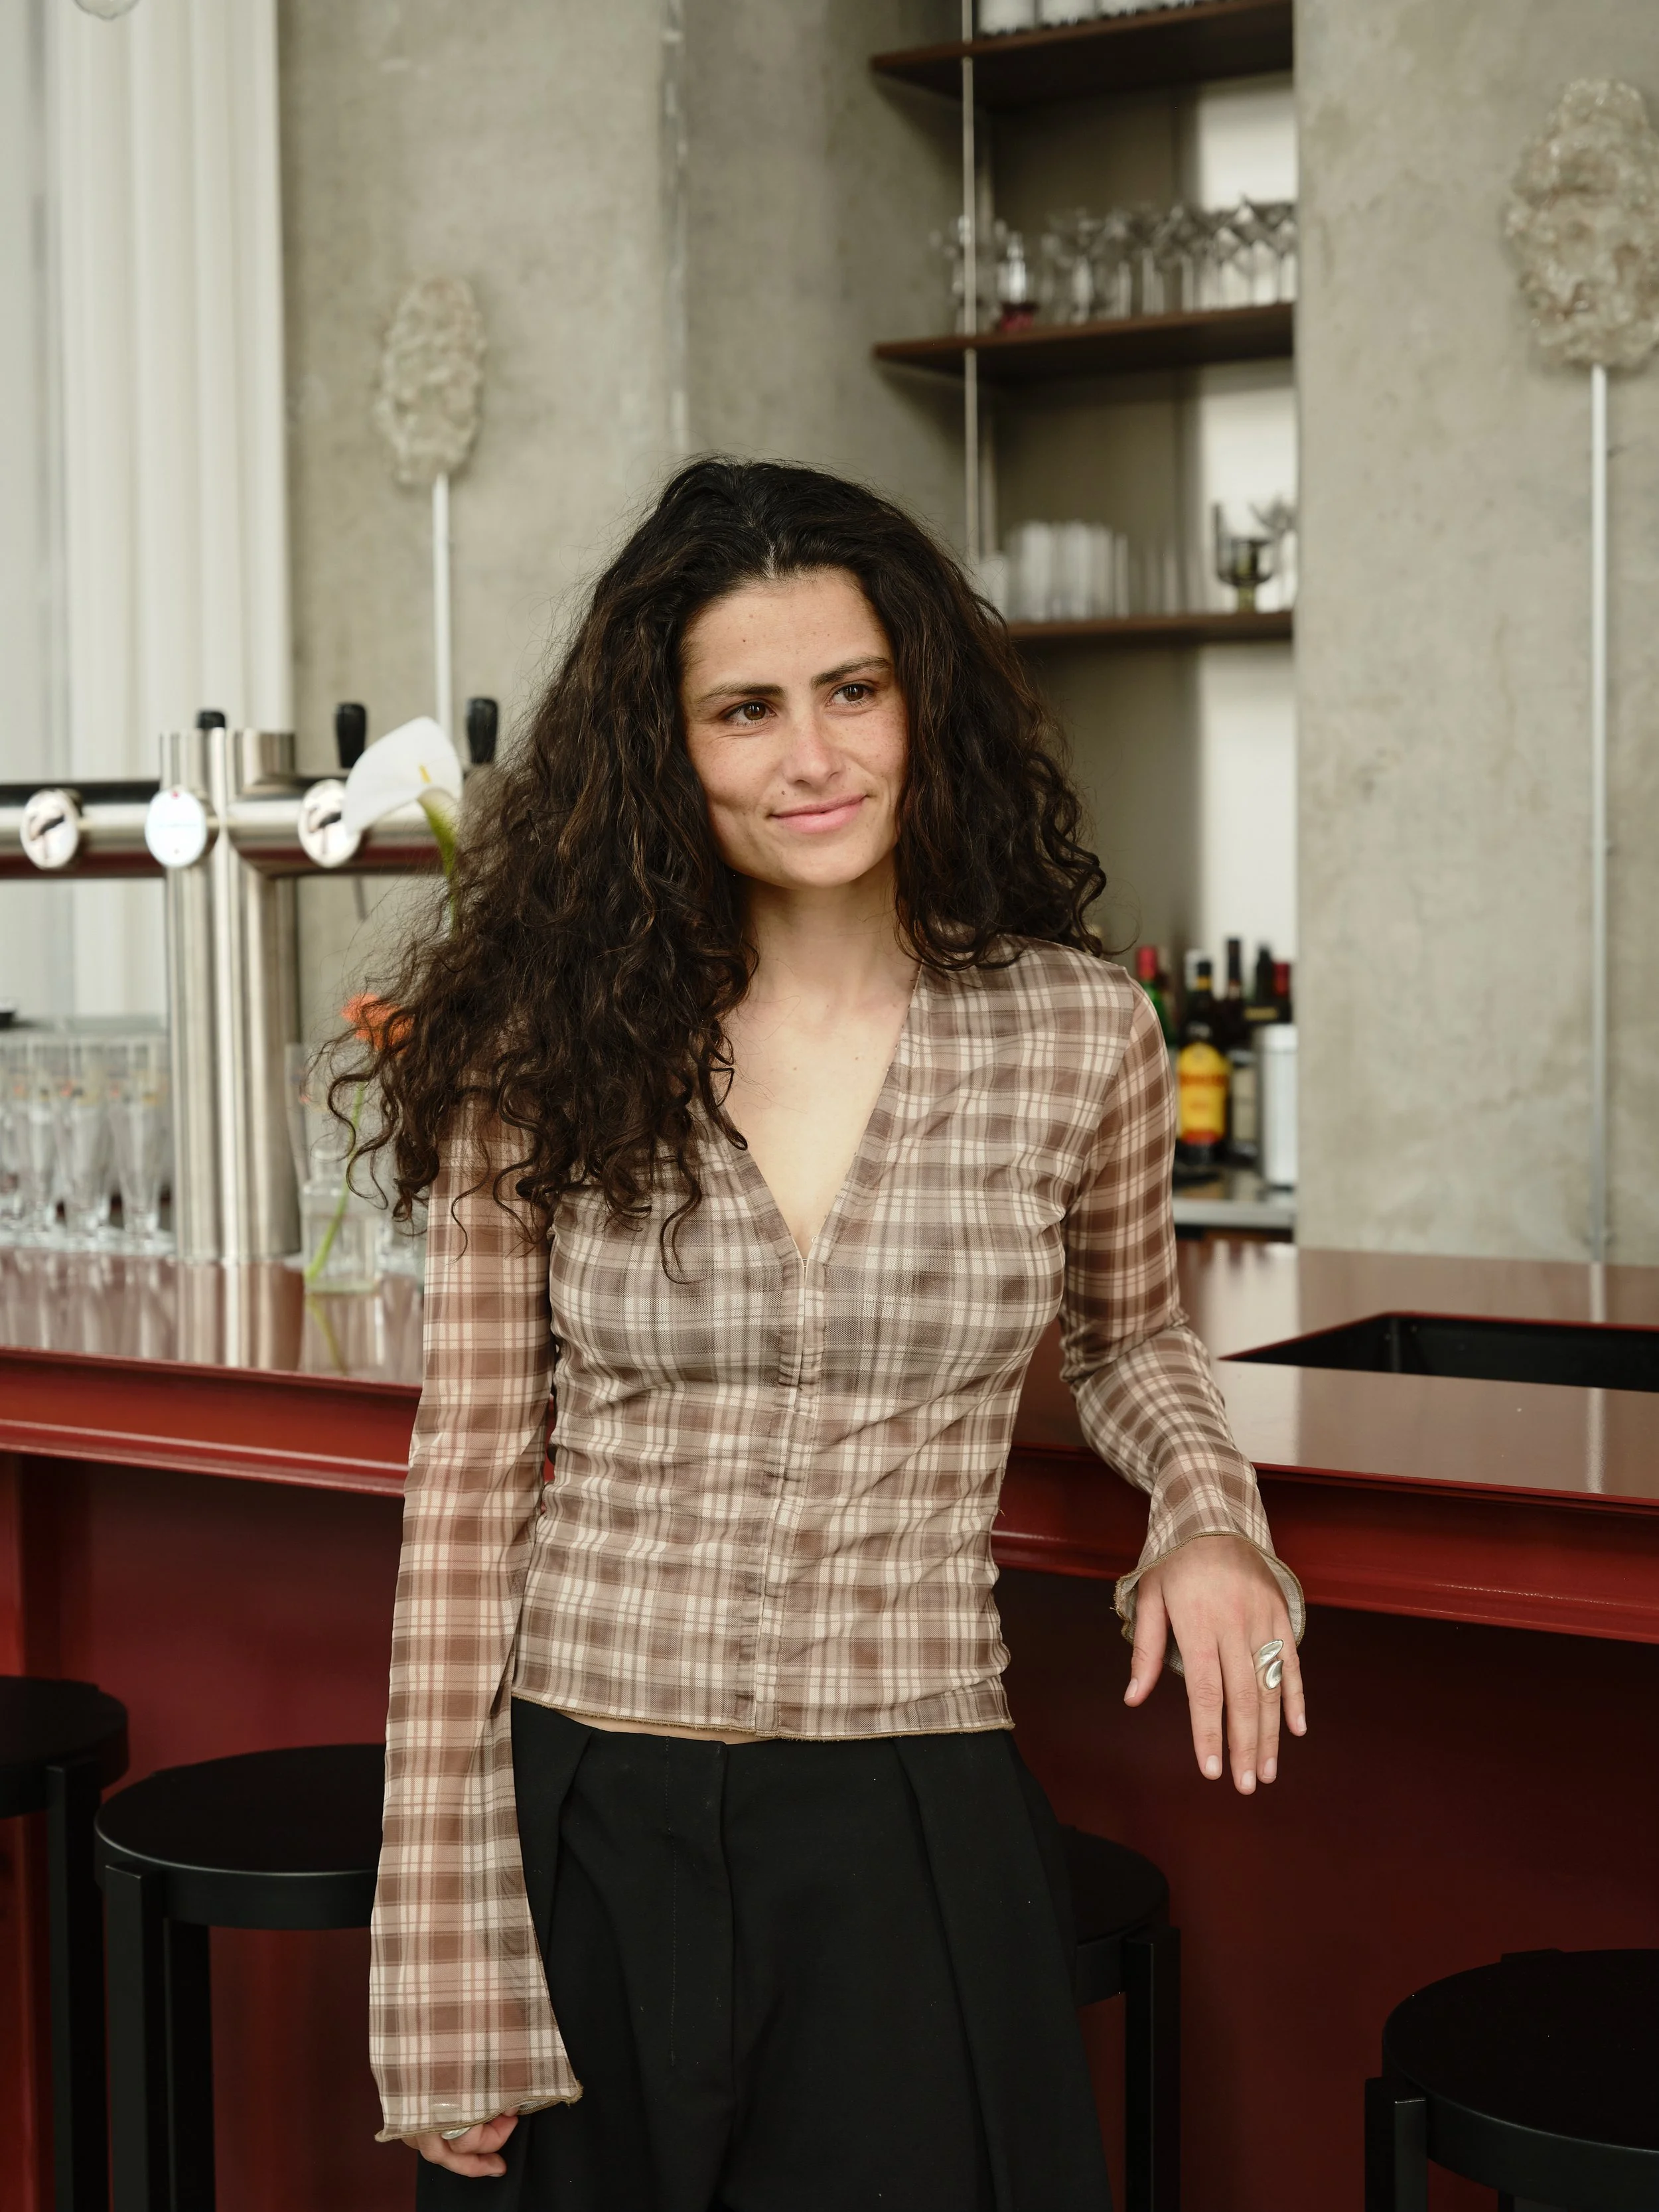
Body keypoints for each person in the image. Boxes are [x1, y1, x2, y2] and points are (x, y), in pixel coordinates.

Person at [351, 458, 1305, 2211]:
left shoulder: (1072, 1027)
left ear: (920, 696)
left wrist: (1206, 1512)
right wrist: (436, 1957)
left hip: (909, 1794)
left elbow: (1128, 1331)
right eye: (746, 709)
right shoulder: (541, 1045)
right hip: (588, 1806)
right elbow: (469, 1478)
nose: (816, 755)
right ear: (665, 750)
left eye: (852, 689)